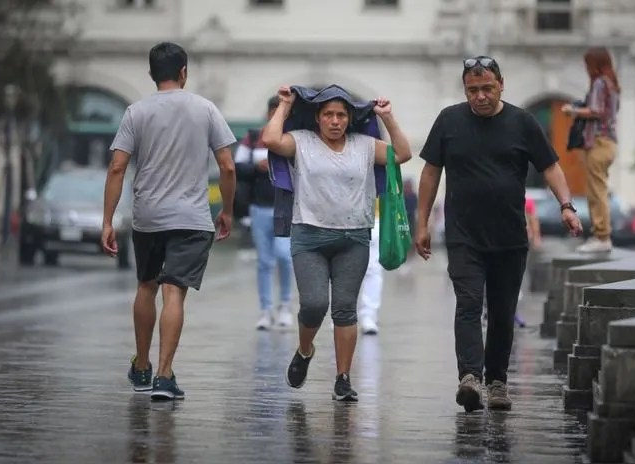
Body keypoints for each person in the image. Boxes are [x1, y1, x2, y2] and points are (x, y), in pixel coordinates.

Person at [415, 56, 582, 412]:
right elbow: (430, 172)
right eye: (472, 90)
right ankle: (469, 378)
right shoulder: (449, 120)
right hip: (463, 235)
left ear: (501, 85)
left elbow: (550, 167)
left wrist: (566, 205)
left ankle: (497, 382)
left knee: (503, 312)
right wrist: (422, 223)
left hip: (509, 237)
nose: (480, 96)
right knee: (469, 304)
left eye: (487, 88)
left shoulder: (523, 122)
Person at [102, 42, 236, 401]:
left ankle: (142, 367)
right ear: (184, 72)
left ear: (151, 74)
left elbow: (117, 167)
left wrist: (107, 221)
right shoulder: (206, 109)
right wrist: (227, 210)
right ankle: (164, 376)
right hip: (191, 218)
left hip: (148, 216)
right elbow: (227, 166)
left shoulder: (135, 112)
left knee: (146, 286)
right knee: (173, 291)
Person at [262, 85, 412, 402]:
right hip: (309, 236)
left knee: (345, 309)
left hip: (353, 237)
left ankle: (343, 378)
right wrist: (285, 105)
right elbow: (271, 140)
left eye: (341, 115)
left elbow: (402, 154)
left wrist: (387, 118)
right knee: (314, 304)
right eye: (328, 114)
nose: (335, 121)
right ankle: (305, 350)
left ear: (349, 119)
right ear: (317, 117)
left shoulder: (365, 145)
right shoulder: (301, 141)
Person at [235, 96, 294, 330]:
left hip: (285, 208)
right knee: (264, 261)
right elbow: (237, 167)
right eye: (275, 112)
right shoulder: (253, 138)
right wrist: (256, 167)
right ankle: (266, 309)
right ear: (269, 113)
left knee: (285, 256)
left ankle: (285, 305)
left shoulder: (292, 138)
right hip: (259, 207)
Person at [561, 47, 620, 253]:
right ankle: (601, 235)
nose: (586, 68)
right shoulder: (612, 85)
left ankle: (602, 236)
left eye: (588, 64)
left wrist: (573, 111)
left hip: (598, 142)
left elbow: (596, 111)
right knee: (599, 189)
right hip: (608, 142)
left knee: (596, 191)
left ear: (595, 64)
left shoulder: (600, 83)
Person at [357, 199, 383, 335]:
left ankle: (369, 315)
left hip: (374, 215)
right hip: (341, 216)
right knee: (341, 267)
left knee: (373, 270)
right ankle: (341, 314)